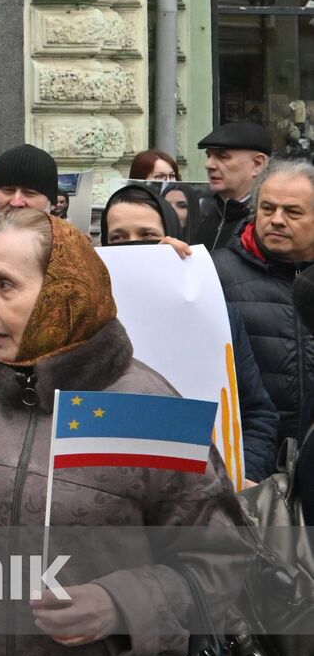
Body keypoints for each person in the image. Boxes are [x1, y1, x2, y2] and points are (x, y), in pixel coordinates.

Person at [0, 207, 246, 656]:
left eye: (4, 285)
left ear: (63, 293)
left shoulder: (148, 408)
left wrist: (119, 605)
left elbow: (228, 566)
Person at [100, 184, 279, 480]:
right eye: (118, 238)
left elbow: (257, 415)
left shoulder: (214, 313)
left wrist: (242, 479)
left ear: (172, 236)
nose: (133, 247)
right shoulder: (85, 318)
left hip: (206, 488)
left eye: (148, 236)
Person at [212, 159, 314, 445]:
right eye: (267, 208)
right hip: (250, 457)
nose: (277, 220)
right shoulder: (215, 274)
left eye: (293, 211)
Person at [195, 121, 271, 250]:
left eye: (222, 157)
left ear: (257, 164)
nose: (208, 165)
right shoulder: (208, 220)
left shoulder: (268, 224)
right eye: (209, 155)